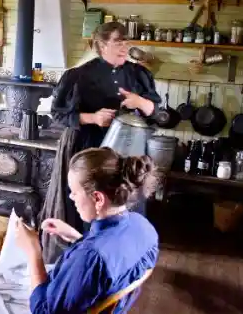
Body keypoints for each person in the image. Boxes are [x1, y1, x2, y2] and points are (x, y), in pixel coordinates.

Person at [39, 21, 162, 263]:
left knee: (124, 201)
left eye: (126, 41)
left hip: (127, 150)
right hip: (88, 146)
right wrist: (93, 117)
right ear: (102, 45)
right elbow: (58, 114)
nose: (124, 46)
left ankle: (123, 256)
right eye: (118, 42)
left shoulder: (139, 75)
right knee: (89, 202)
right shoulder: (78, 76)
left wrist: (139, 102)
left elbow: (156, 112)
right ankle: (82, 256)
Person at [16, 147, 160, 313]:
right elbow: (108, 259)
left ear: (98, 198)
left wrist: (33, 252)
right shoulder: (144, 227)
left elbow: (44, 311)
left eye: (75, 192)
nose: (71, 197)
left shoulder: (91, 258)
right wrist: (75, 237)